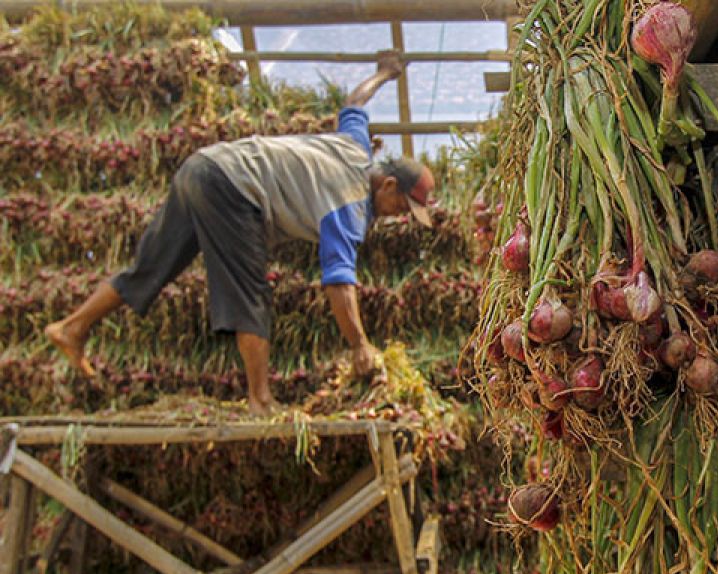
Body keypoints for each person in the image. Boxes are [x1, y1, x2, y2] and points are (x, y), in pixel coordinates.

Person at [45, 51, 435, 415]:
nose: (399, 216)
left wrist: (384, 74)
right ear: (386, 186)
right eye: (402, 206)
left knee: (152, 266)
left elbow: (354, 103)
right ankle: (260, 399)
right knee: (250, 290)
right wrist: (359, 346)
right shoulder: (348, 209)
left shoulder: (355, 145)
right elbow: (338, 283)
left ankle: (72, 327)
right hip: (234, 190)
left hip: (203, 167)